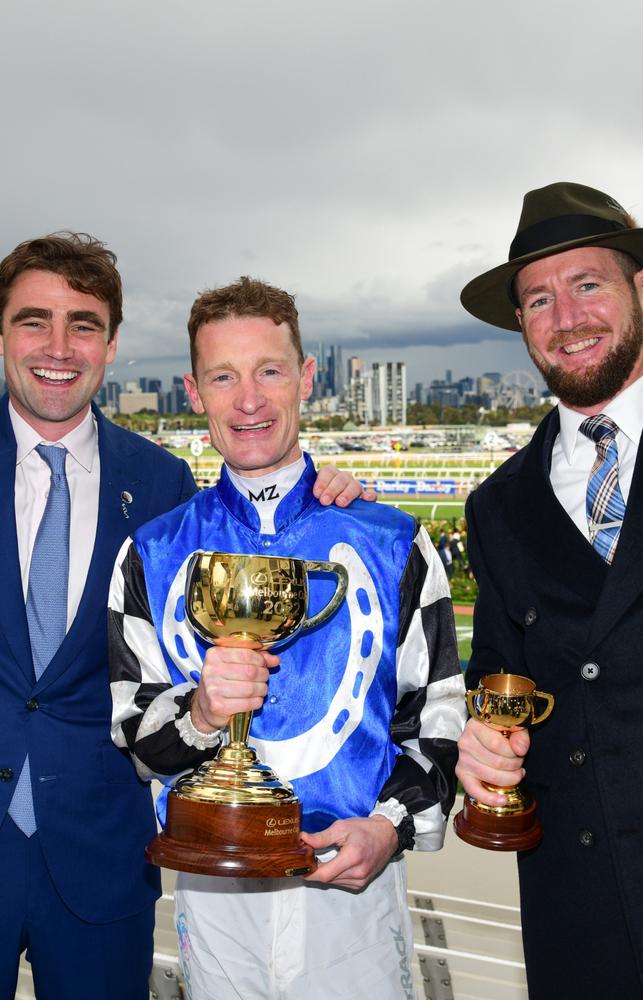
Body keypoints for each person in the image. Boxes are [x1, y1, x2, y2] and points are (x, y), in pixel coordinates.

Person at [0, 235, 365, 1000]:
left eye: (85, 324)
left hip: (102, 862)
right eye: (35, 321)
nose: (59, 347)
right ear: (2, 333)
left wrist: (338, 498)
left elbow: (256, 522)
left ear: (113, 343)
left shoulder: (162, 484)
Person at [108, 276, 467, 1000]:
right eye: (223, 376)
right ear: (193, 390)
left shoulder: (393, 542)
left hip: (355, 894)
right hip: (215, 893)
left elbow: (438, 720)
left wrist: (389, 826)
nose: (248, 399)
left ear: (305, 378)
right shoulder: (148, 554)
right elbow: (133, 731)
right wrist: (203, 714)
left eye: (269, 370)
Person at [456, 182, 643, 1000]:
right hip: (581, 913)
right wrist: (480, 745)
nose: (565, 317)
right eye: (539, 298)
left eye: (587, 285)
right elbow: (500, 682)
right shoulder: (496, 506)